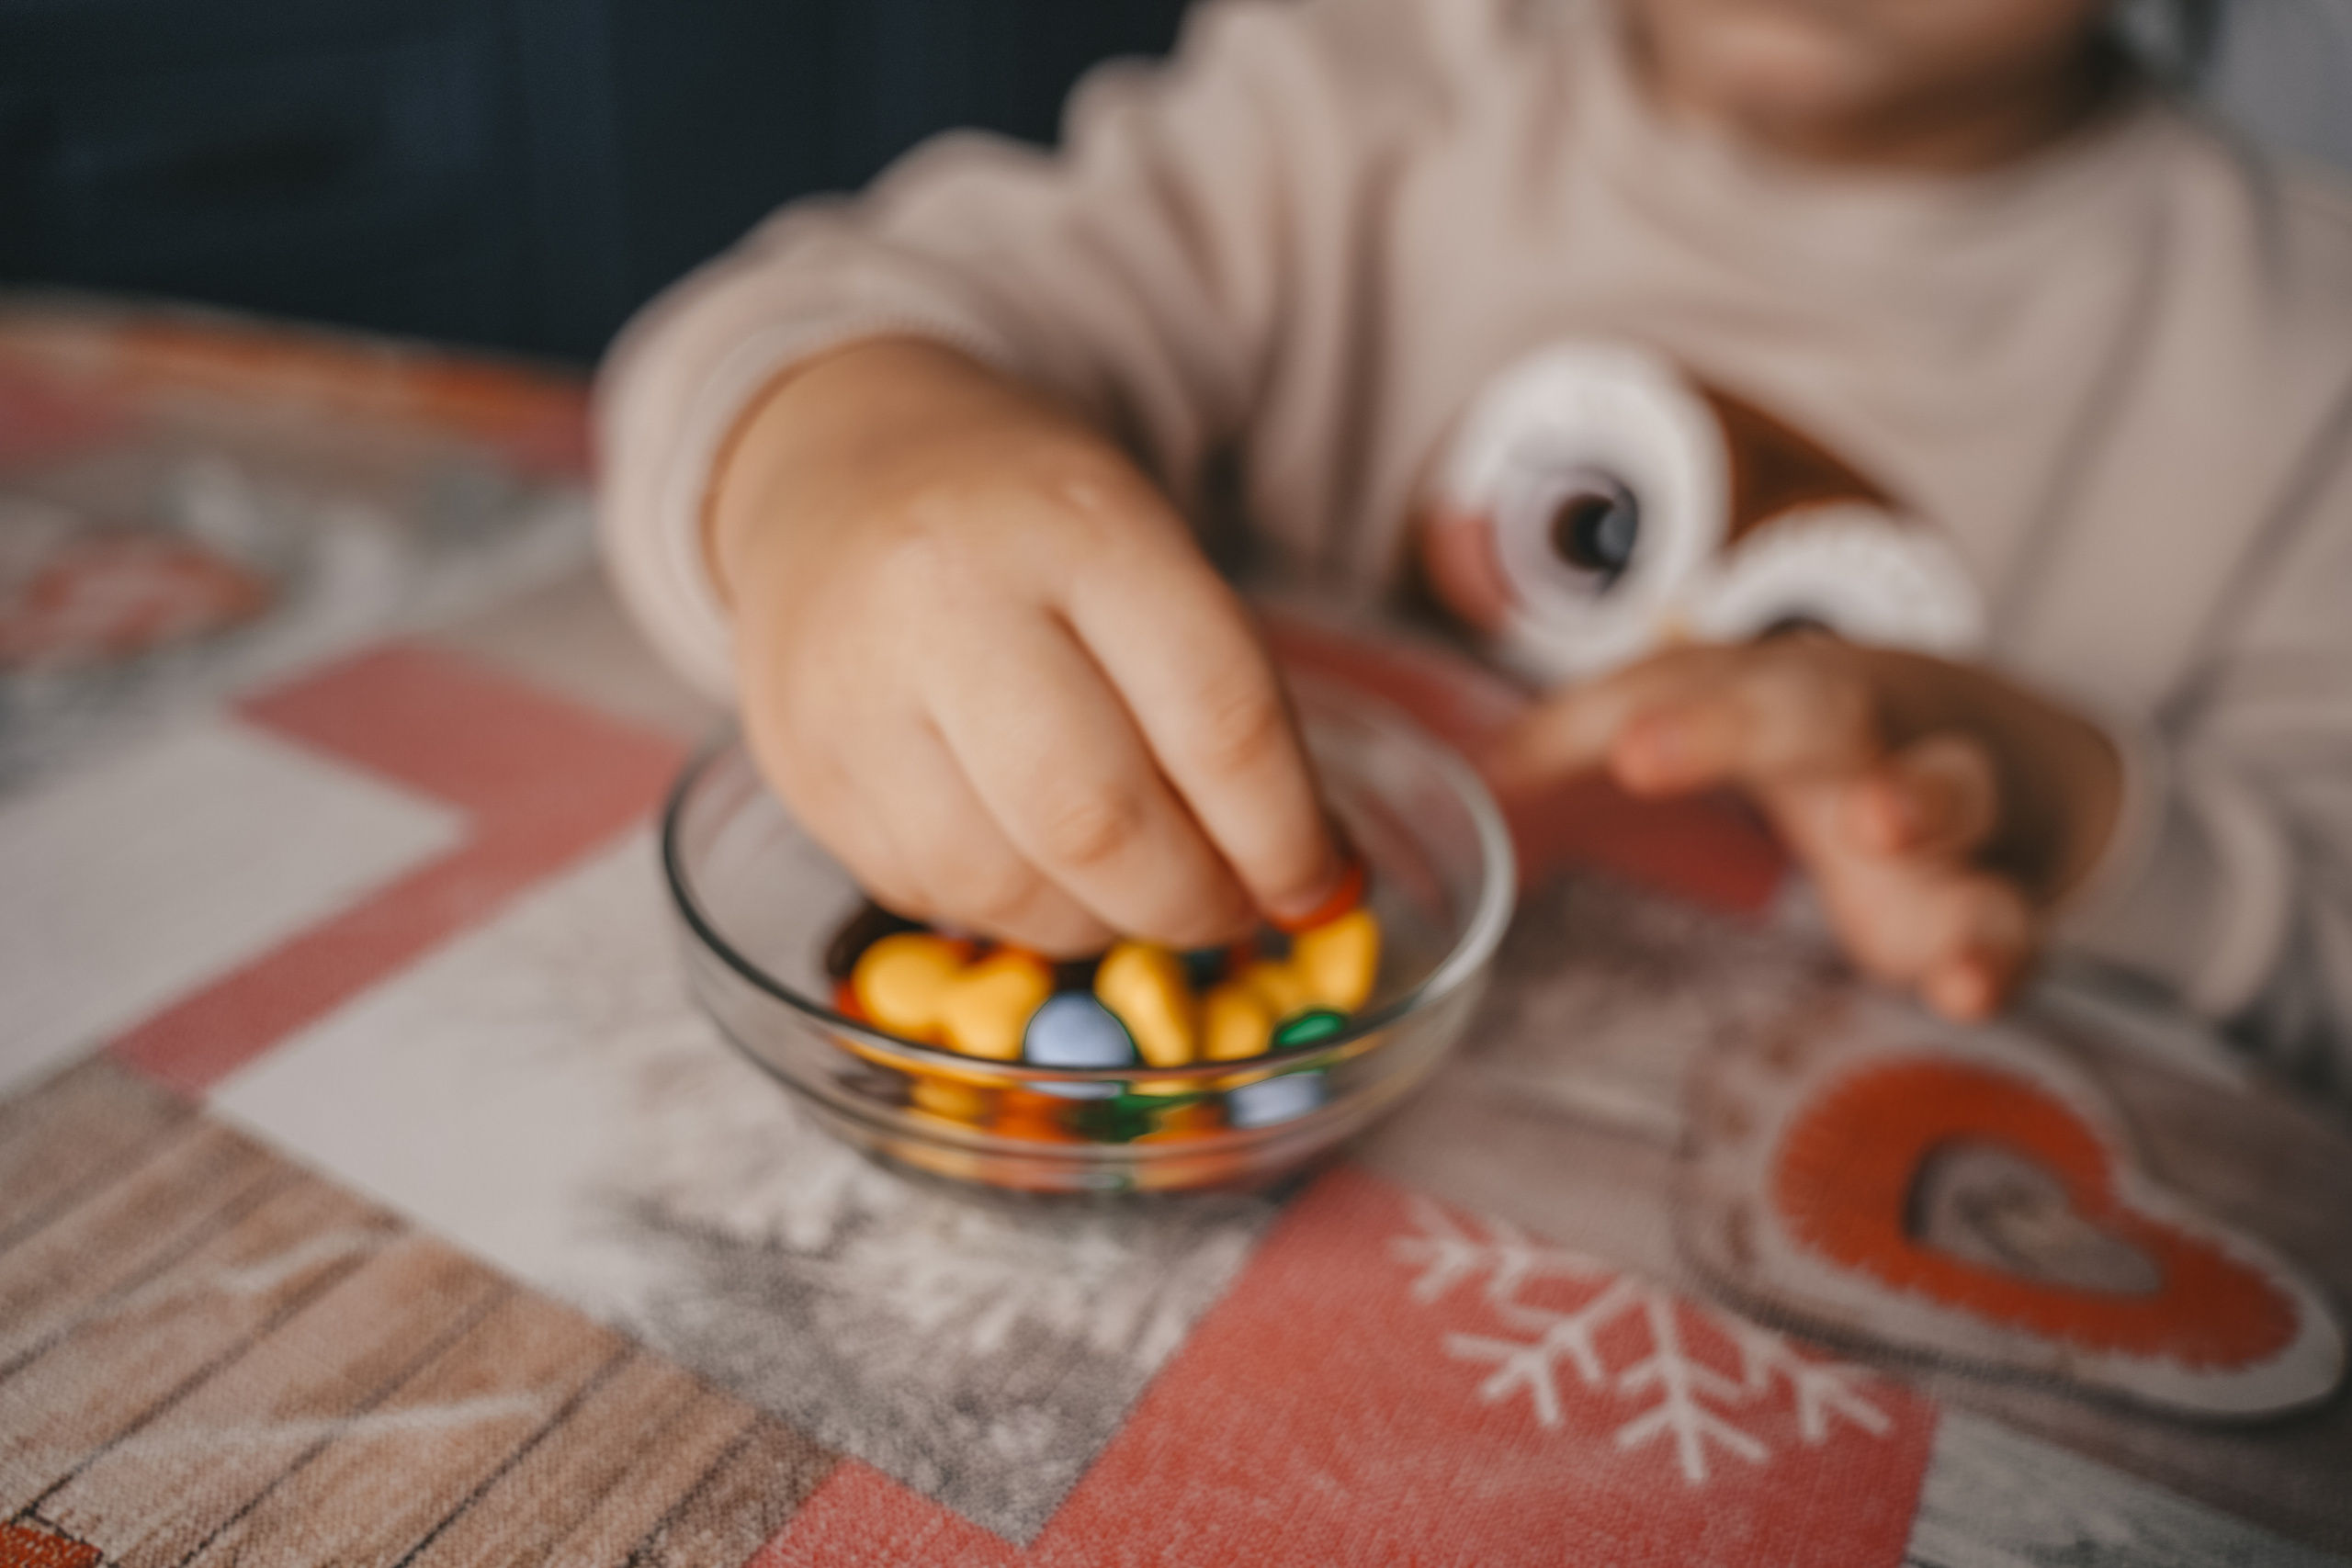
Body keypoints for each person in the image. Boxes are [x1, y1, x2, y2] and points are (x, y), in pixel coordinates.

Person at [597, 0, 2352, 1092]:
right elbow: (777, 328)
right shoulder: (1358, 87)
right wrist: (849, 456)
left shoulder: (2306, 361)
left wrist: (2071, 808)